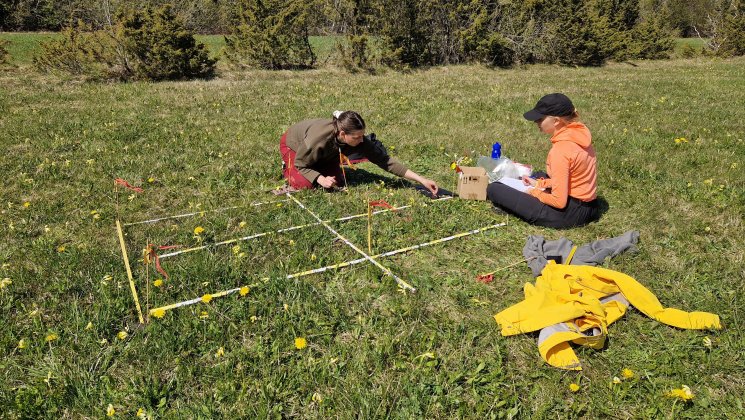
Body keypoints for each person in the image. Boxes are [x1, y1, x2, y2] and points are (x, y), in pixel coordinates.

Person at [486, 93, 599, 228]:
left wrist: (534, 192)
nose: (536, 122)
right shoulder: (580, 136)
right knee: (539, 176)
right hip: (589, 206)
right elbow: (572, 178)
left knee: (494, 189)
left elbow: (559, 202)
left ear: (556, 121)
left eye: (540, 119)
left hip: (568, 215)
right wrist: (540, 183)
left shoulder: (561, 150)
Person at [279, 111, 439, 195]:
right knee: (305, 185)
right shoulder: (316, 140)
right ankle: (287, 167)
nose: (362, 140)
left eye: (362, 135)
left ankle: (319, 164)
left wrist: (421, 179)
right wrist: (319, 178)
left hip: (325, 153)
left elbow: (386, 161)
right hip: (294, 146)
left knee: (337, 182)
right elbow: (301, 163)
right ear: (342, 134)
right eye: (356, 137)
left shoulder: (359, 139)